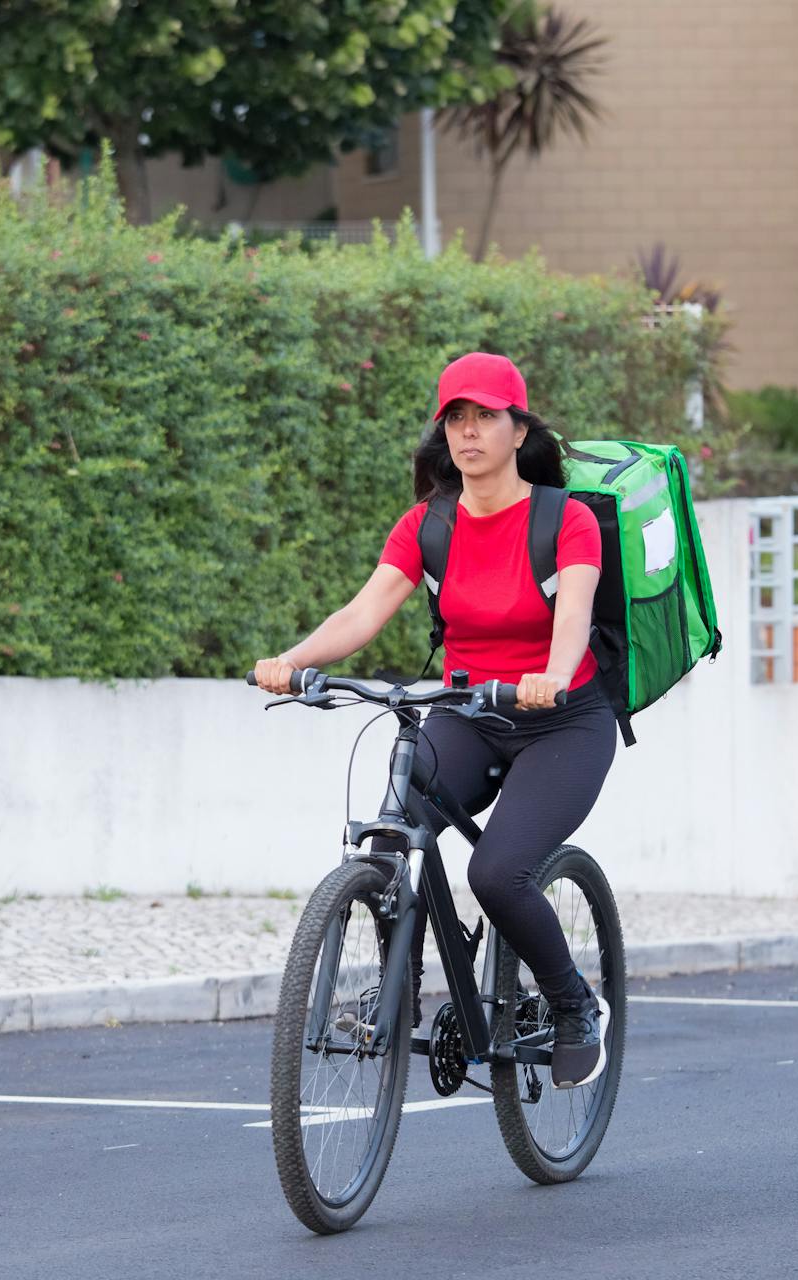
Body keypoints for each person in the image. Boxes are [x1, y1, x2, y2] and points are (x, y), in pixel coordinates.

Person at [253, 351, 616, 1089]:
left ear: (519, 430)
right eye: (457, 417)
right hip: (468, 712)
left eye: (486, 416)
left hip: (562, 718)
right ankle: (397, 988)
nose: (469, 431)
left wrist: (549, 674)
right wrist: (288, 662)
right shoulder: (429, 526)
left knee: (499, 872)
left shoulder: (565, 520)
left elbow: (573, 613)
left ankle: (576, 1005)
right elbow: (363, 611)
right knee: (392, 832)